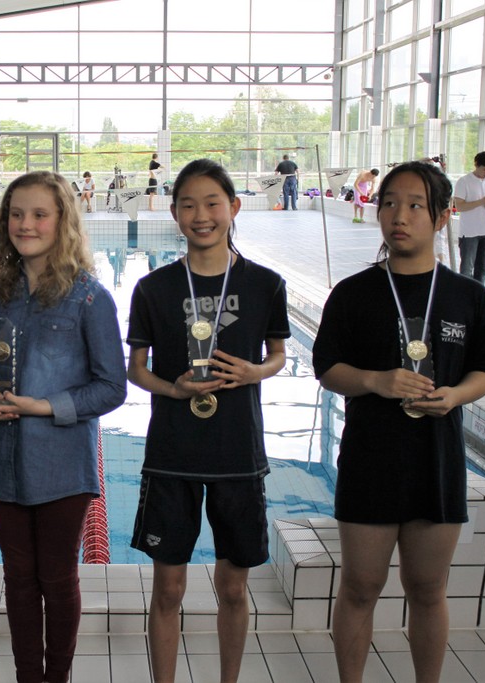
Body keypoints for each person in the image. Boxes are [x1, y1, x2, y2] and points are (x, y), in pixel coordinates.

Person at [313, 161, 485, 683]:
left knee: (427, 589)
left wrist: (455, 395)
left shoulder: (468, 296)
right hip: (371, 459)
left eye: (416, 205)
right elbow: (327, 369)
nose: (400, 216)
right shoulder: (354, 294)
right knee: (360, 587)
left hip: (436, 462)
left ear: (442, 217)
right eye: (390, 204)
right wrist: (375, 381)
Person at [127, 158, 290, 683]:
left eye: (212, 203)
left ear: (234, 207)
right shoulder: (153, 288)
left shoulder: (265, 284)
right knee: (168, 590)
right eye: (189, 205)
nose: (202, 216)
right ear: (174, 213)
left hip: (237, 454)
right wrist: (173, 388)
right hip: (172, 454)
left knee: (234, 588)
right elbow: (136, 370)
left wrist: (254, 371)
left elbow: (278, 356)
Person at [0, 171, 127, 683]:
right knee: (17, 579)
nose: (25, 224)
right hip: (1, 462)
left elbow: (112, 388)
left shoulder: (89, 298)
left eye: (39, 214)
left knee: (57, 579)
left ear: (62, 221)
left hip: (61, 467)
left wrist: (42, 406)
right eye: (16, 214)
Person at [453, 150, 485, 284]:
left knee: (482, 269)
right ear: (476, 165)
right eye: (484, 169)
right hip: (469, 233)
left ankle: (479, 293)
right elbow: (459, 207)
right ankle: (465, 294)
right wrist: (481, 202)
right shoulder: (464, 181)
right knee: (467, 270)